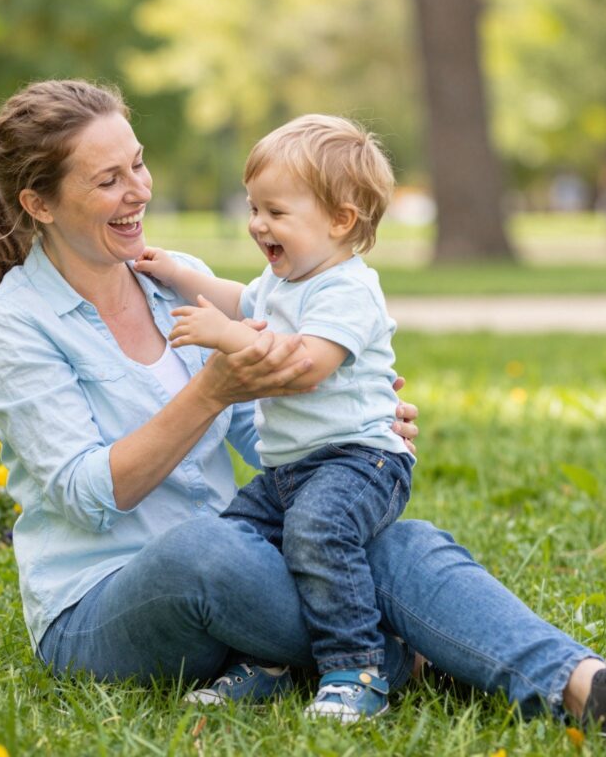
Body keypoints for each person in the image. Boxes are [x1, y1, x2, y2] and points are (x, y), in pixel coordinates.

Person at [0, 79, 606, 741]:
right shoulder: (15, 324)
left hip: (244, 561)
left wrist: (344, 420)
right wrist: (209, 388)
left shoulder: (171, 285)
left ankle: (594, 689)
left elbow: (260, 424)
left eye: (139, 163)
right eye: (108, 179)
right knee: (207, 552)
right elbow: (92, 496)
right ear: (39, 203)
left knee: (393, 542)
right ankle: (407, 650)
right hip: (107, 604)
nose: (138, 190)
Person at [133, 114, 412, 722]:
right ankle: (266, 661)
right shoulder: (283, 280)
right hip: (292, 469)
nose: (259, 224)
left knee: (318, 533)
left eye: (276, 213)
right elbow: (243, 300)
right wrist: (179, 276)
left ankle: (355, 668)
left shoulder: (347, 291)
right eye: (254, 208)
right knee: (239, 540)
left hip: (357, 461)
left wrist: (227, 337)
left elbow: (304, 366)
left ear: (341, 220)